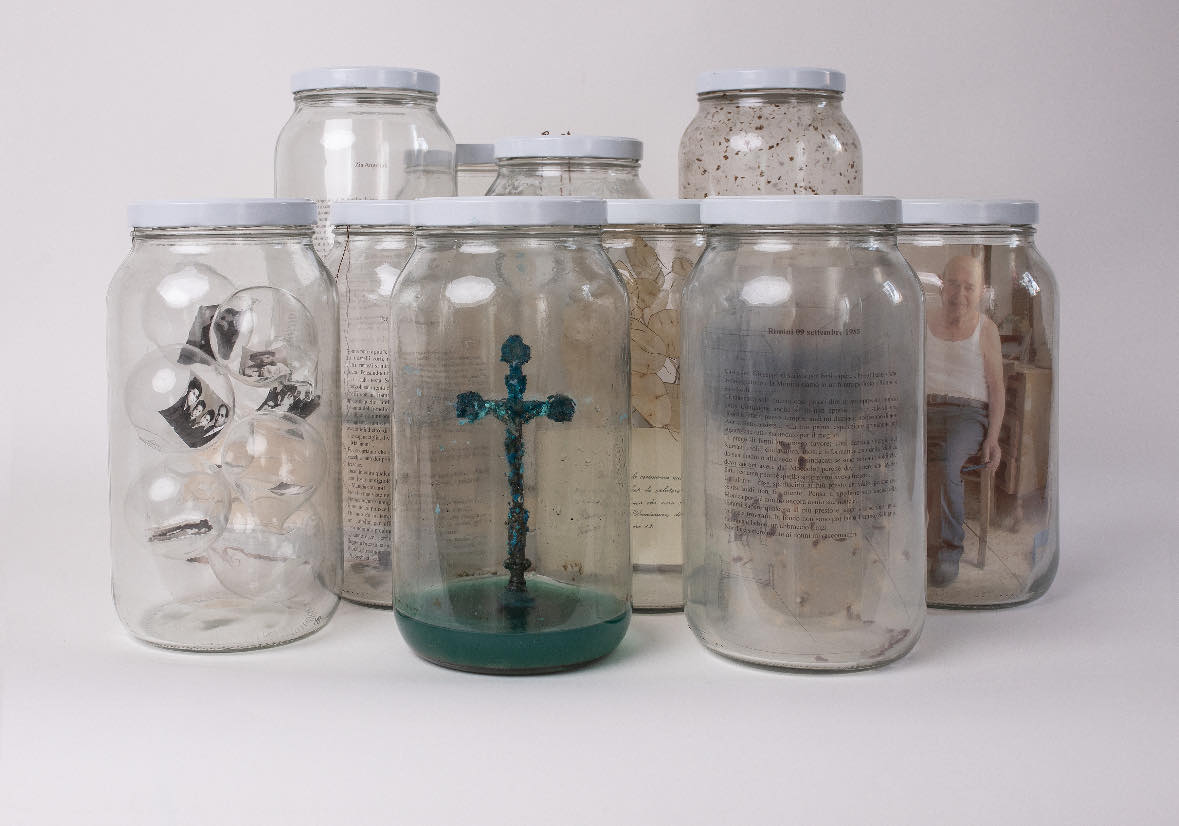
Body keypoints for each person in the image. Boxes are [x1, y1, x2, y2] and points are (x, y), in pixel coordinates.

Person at [925, 255, 1005, 586]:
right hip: (924, 409)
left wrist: (993, 438)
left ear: (981, 291)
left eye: (969, 287)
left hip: (967, 414)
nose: (960, 294)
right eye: (954, 284)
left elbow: (997, 389)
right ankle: (898, 541)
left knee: (945, 464)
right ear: (941, 285)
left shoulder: (986, 329)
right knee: (892, 457)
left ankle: (947, 551)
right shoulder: (923, 320)